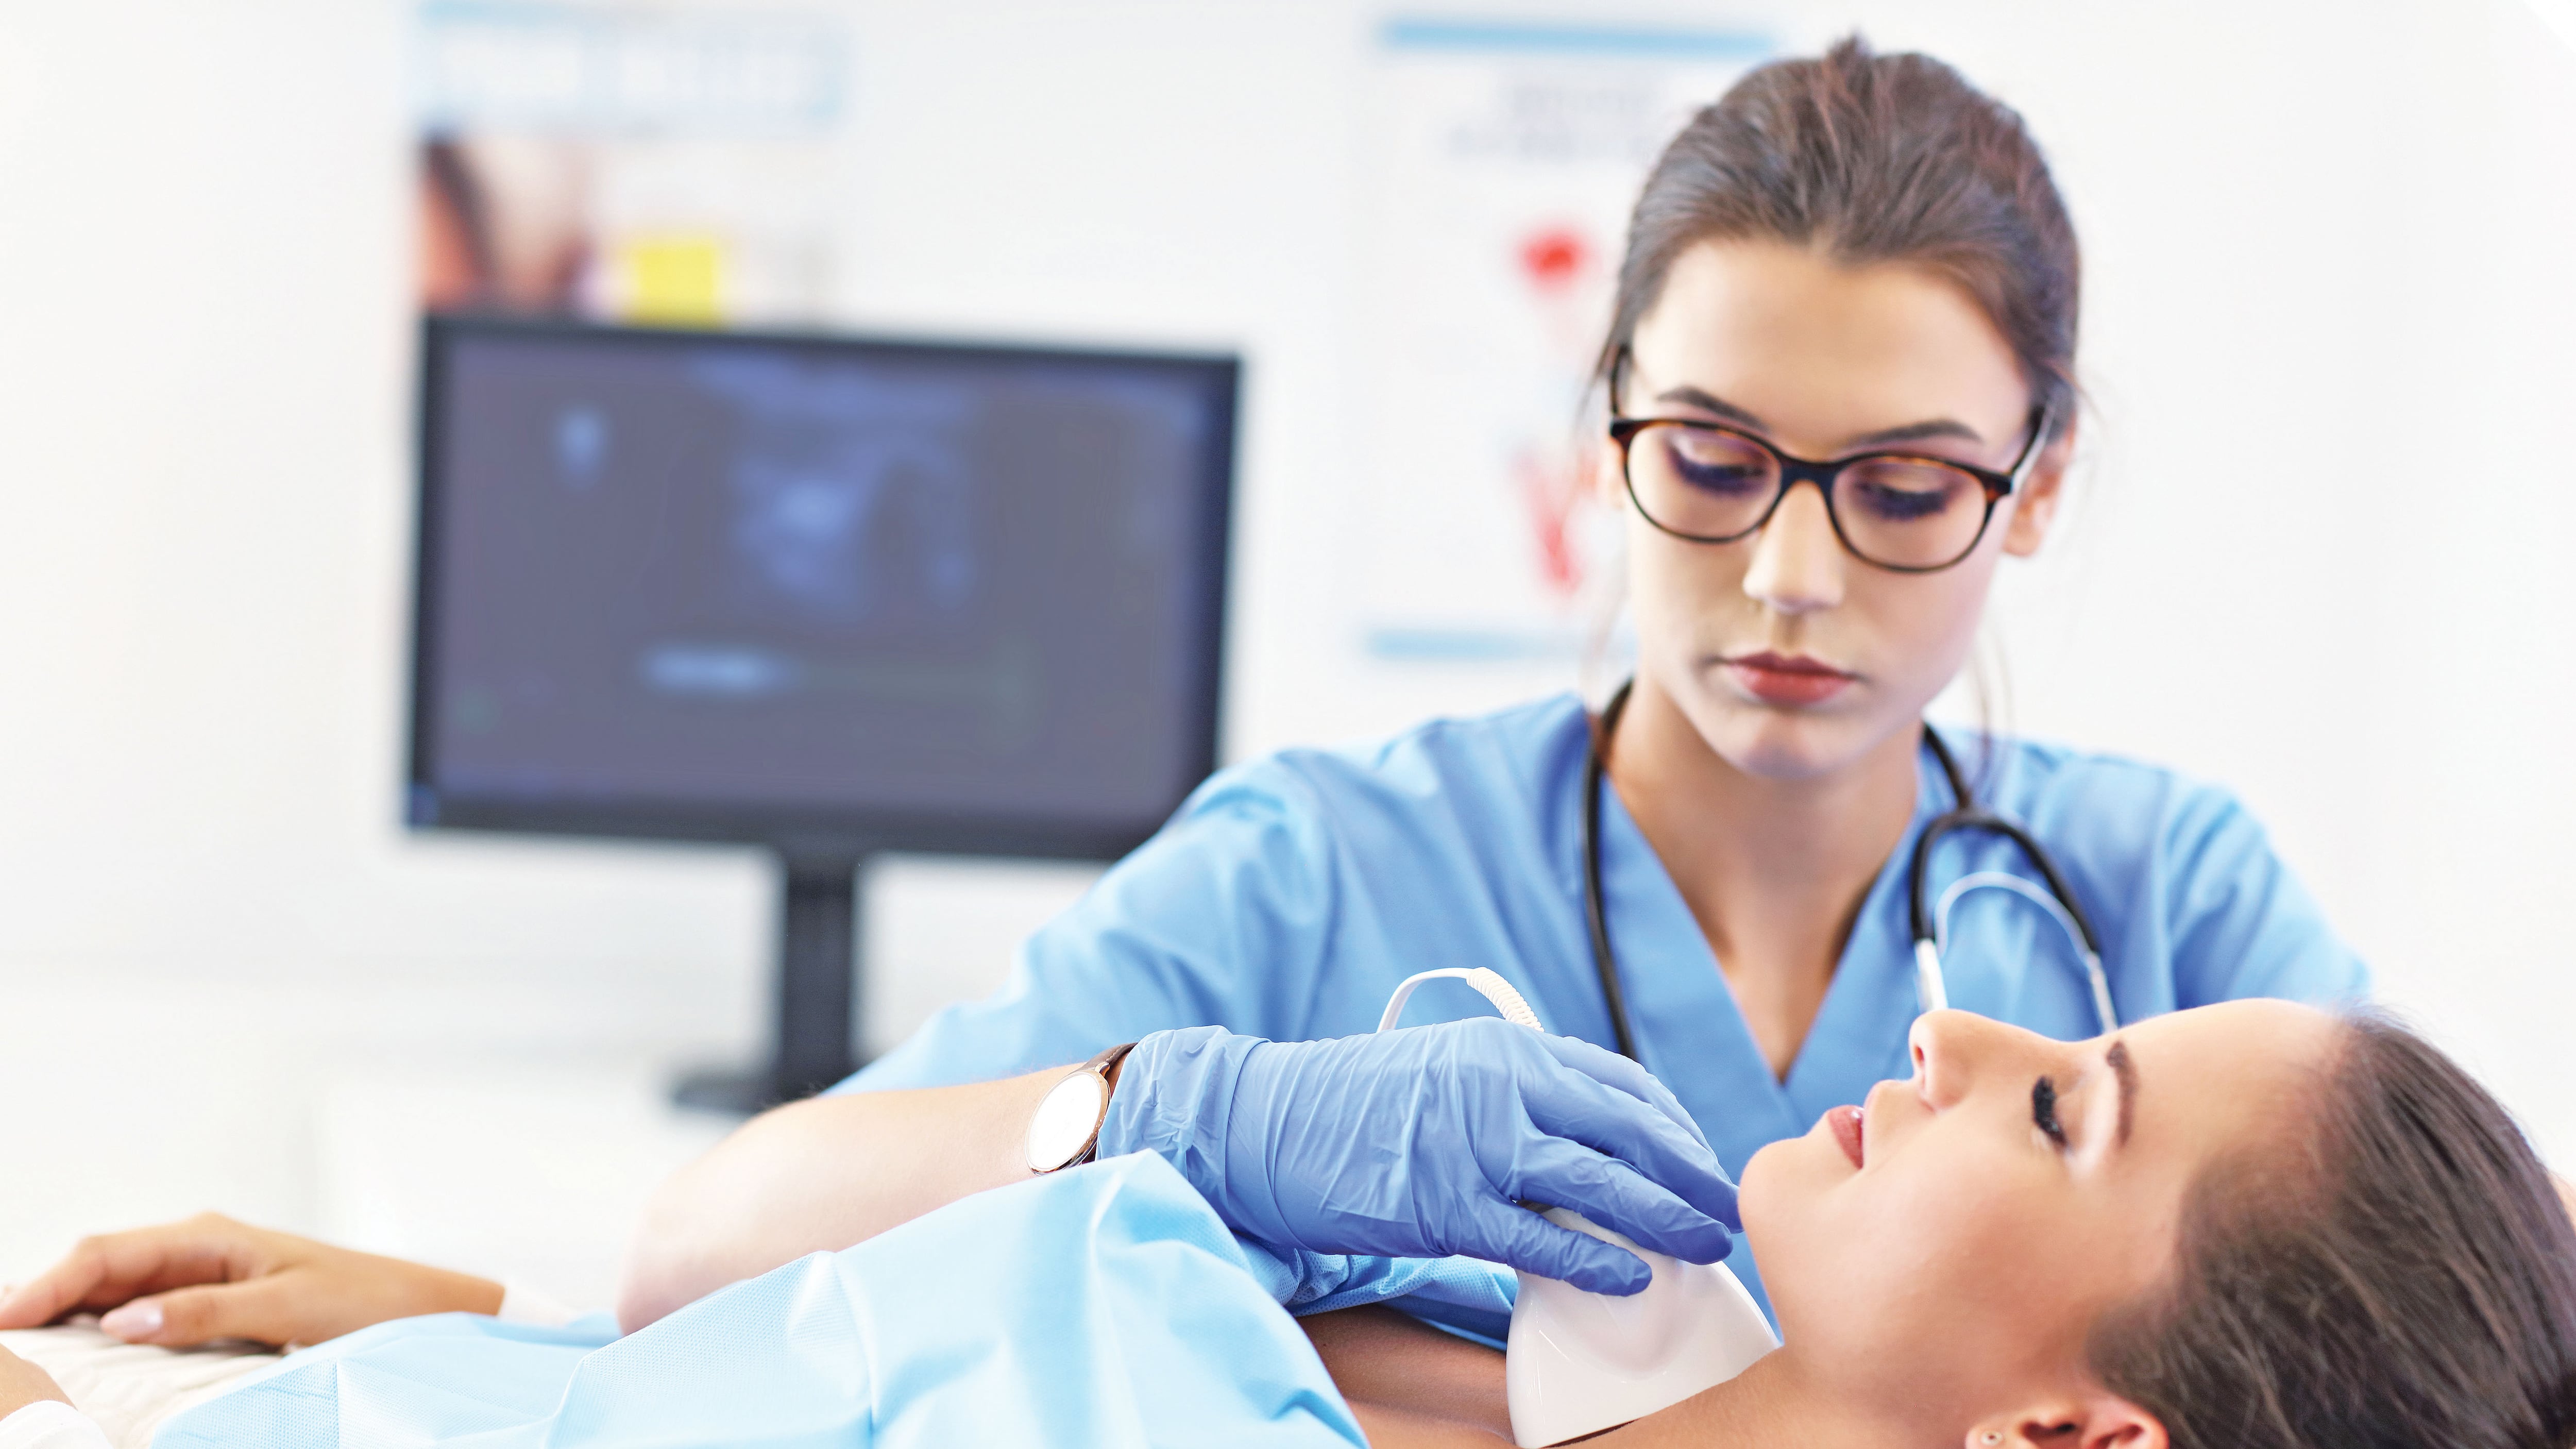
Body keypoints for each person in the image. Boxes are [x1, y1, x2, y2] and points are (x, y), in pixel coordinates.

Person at [612, 36, 2368, 1330]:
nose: (1790, 576)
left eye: (1905, 490)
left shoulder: (2169, 905)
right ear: (1601, 430)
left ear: (2036, 484)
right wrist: (1170, 1113)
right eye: (1710, 458)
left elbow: (2491, 1311)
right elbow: (699, 1249)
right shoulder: (1325, 867)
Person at [3, 1002, 2569, 1449]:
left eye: (2058, 1112)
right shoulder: (1545, 1264)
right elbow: (716, 1274)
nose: (1950, 1039)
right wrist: (1167, 1109)